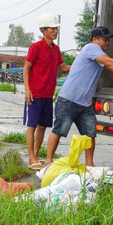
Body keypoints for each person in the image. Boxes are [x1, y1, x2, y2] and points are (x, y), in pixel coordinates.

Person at [44, 26, 113, 167]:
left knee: (90, 133)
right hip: (69, 99)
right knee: (59, 130)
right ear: (94, 39)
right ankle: (48, 162)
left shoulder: (98, 56)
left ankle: (89, 165)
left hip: (85, 104)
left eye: (108, 40)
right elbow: (110, 62)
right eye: (105, 40)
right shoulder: (91, 48)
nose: (107, 43)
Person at [23, 13, 71, 169]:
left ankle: (36, 155)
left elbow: (63, 68)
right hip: (35, 93)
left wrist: (81, 65)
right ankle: (31, 157)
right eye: (53, 28)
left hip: (48, 95)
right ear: (44, 30)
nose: (55, 31)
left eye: (56, 29)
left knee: (43, 126)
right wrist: (27, 89)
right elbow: (26, 68)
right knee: (32, 125)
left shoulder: (56, 49)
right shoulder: (36, 47)